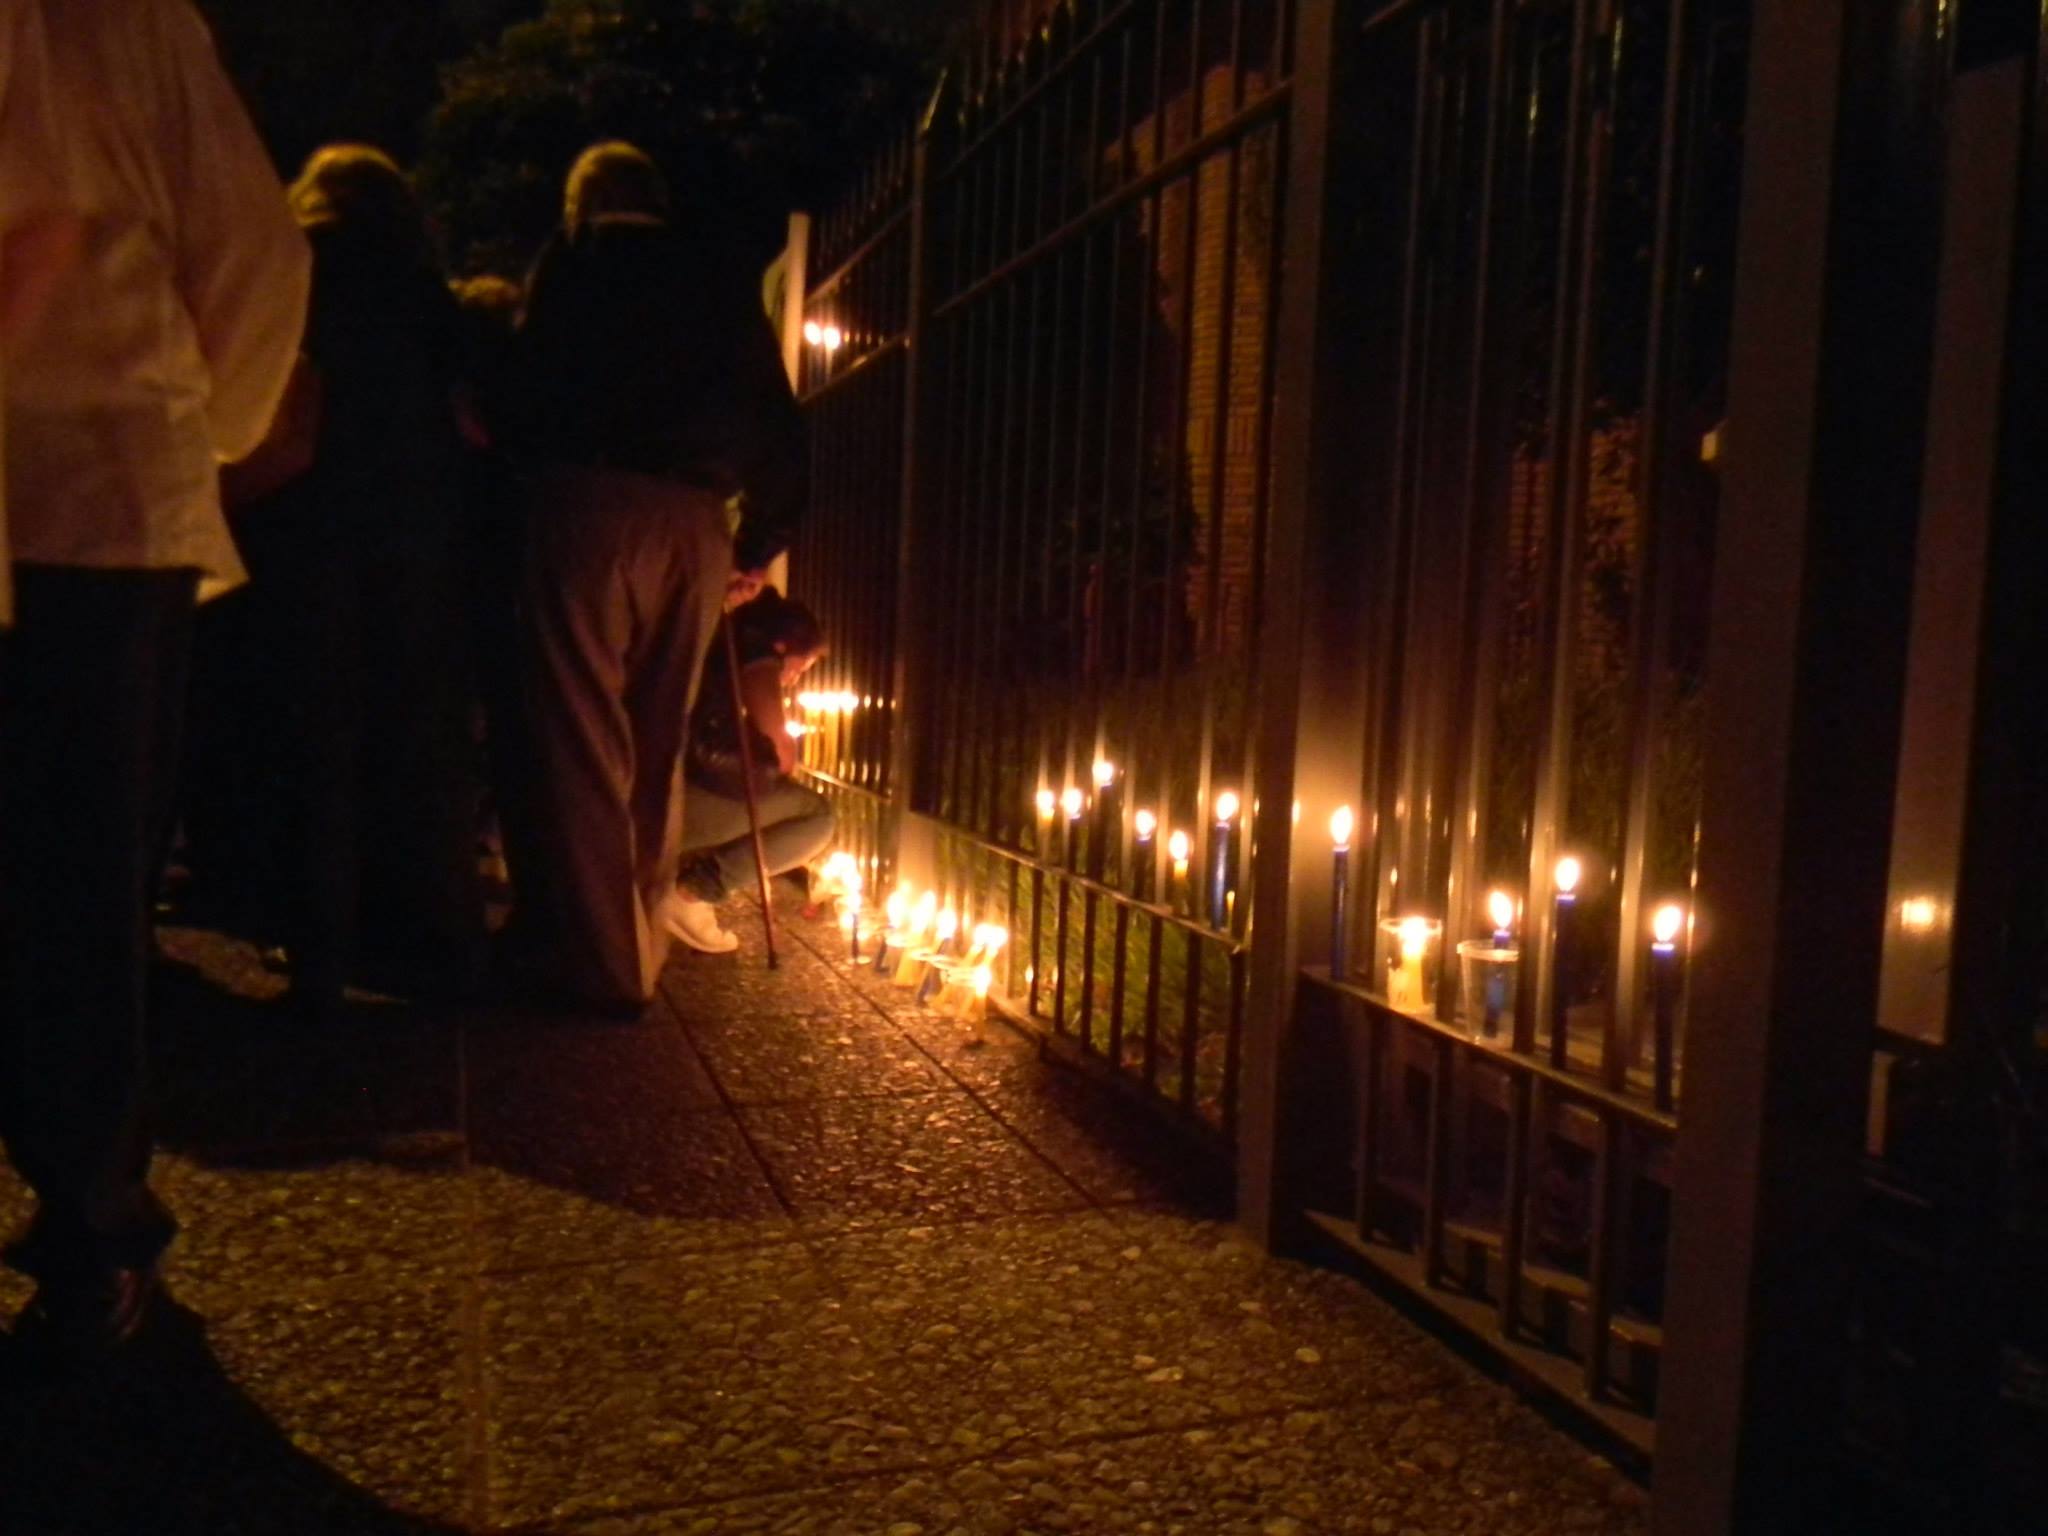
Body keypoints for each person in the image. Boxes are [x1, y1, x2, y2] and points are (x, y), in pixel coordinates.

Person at [1, 0, 309, 1362]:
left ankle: (92, 1223)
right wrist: (207, 426)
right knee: (79, 882)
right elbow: (251, 252)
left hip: (99, 493)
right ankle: (89, 1225)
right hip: (102, 489)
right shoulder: (129, 27)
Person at [502, 141, 806, 1012]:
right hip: (694, 521)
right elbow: (776, 418)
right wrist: (759, 543)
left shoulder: (573, 266)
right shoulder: (717, 281)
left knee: (583, 732)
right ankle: (636, 936)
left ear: (582, 203)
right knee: (657, 736)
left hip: (589, 502)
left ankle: (606, 965)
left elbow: (524, 389)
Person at [184, 146, 486, 1020]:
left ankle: (315, 948)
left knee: (307, 740)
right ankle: (430, 942)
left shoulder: (291, 277)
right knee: (413, 735)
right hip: (412, 538)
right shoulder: (424, 295)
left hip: (301, 532)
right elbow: (478, 410)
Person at [673, 590, 834, 953]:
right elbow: (782, 752)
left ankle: (687, 884)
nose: (793, 681)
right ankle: (689, 893)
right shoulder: (756, 658)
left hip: (656, 787)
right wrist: (782, 753)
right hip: (674, 803)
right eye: (799, 668)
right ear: (782, 647)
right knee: (817, 815)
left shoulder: (713, 643)